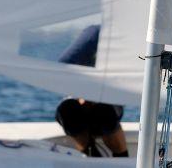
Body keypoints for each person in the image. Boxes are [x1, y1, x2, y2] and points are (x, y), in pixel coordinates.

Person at [53, 24, 129, 157]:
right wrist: (85, 94)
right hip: (79, 97)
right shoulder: (94, 34)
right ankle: (90, 154)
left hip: (108, 101)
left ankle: (122, 157)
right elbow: (62, 68)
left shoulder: (126, 40)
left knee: (104, 111)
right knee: (67, 110)